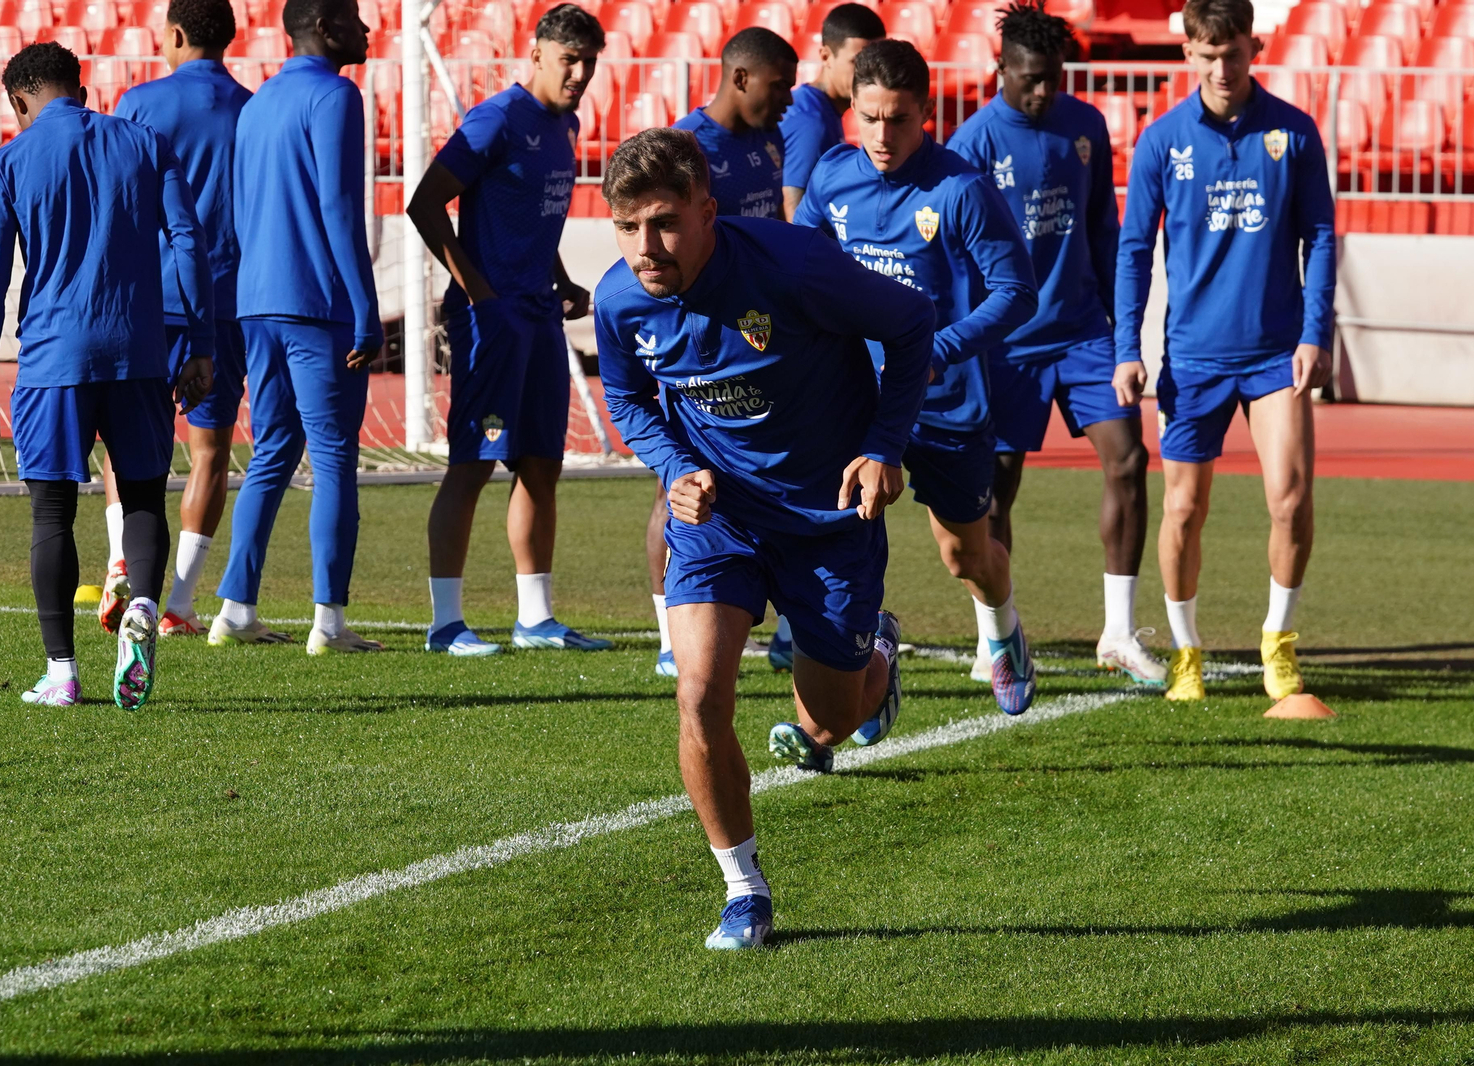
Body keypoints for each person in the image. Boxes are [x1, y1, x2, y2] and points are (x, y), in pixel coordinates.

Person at [595, 127, 934, 949]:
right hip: (723, 525)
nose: (648, 247)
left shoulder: (793, 265)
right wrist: (677, 465)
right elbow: (628, 395)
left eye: (666, 224)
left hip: (828, 522)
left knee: (830, 719)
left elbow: (912, 322)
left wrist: (884, 447)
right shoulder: (619, 298)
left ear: (708, 212)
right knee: (699, 694)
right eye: (629, 227)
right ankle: (743, 890)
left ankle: (875, 665)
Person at [0, 42, 214, 709]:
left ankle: (62, 672)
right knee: (142, 499)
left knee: (53, 512)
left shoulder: (8, 163)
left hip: (53, 359)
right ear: (81, 85)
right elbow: (188, 242)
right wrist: (201, 343)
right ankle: (143, 608)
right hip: (139, 350)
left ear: (20, 101)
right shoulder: (144, 143)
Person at [796, 39, 1041, 714]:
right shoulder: (831, 177)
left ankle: (1003, 630)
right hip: (855, 401)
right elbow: (801, 267)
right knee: (843, 541)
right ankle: (863, 676)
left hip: (945, 406)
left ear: (925, 112)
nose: (881, 135)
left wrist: (939, 347)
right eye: (868, 117)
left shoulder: (959, 189)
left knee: (965, 556)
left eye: (897, 119)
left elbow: (1017, 291)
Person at [1115, 0, 1334, 701]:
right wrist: (1129, 346)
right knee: (1182, 509)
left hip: (1276, 355)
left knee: (1291, 500)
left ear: (1254, 46)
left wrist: (1313, 333)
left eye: (1232, 53)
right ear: (1186, 53)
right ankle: (1186, 651)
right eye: (1206, 55)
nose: (1220, 68)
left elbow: (1322, 236)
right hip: (1194, 357)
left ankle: (1279, 641)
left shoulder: (1293, 133)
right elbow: (1132, 252)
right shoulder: (1160, 141)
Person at [945, 0, 1165, 687]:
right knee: (995, 492)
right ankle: (993, 638)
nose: (1043, 91)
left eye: (1054, 77)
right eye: (1030, 78)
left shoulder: (1087, 127)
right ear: (1001, 69)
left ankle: (1119, 633)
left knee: (1128, 460)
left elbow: (1106, 234)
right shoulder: (970, 147)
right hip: (1004, 345)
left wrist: (1121, 336)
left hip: (1080, 333)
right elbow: (954, 261)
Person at [406, 3, 608, 656]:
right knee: (475, 461)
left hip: (540, 318)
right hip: (493, 325)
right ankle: (445, 624)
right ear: (538, 55)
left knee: (541, 464)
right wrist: (481, 294)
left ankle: (535, 618)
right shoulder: (497, 118)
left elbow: (529, 216)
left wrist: (561, 278)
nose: (579, 73)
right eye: (568, 59)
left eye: (589, 62)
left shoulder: (564, 124)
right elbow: (425, 202)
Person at [213, 0, 384, 654]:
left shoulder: (256, 105)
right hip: (317, 302)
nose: (367, 31)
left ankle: (234, 607)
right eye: (356, 19)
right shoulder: (337, 96)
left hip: (256, 300)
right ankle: (330, 622)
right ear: (327, 27)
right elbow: (339, 207)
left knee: (273, 452)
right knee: (335, 453)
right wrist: (365, 309)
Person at [96, 0, 253, 640]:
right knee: (210, 448)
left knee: (124, 435)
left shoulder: (138, 102)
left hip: (143, 297)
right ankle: (179, 603)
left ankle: (120, 562)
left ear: (177, 35)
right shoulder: (254, 109)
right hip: (223, 298)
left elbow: (112, 196)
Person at [660, 26, 797, 674]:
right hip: (702, 342)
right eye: (780, 85)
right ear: (741, 78)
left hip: (768, 337)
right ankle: (670, 633)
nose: (790, 98)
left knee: (785, 469)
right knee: (681, 481)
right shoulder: (687, 146)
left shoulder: (770, 139)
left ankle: (794, 623)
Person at [779, 2, 884, 221]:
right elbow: (793, 210)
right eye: (857, 62)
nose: (869, 72)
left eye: (876, 62)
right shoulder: (810, 121)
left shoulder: (824, 110)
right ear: (826, 56)